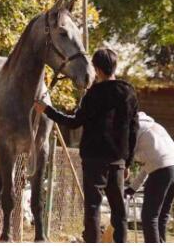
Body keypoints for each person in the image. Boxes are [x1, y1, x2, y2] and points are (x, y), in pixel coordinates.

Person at [34, 48, 139, 243]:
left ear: (97, 69)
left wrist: (47, 110)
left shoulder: (92, 95)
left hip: (93, 158)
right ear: (115, 66)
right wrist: (128, 162)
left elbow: (74, 122)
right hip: (117, 159)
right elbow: (134, 130)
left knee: (93, 208)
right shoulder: (129, 93)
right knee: (119, 210)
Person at [125, 112, 174, 243]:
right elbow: (150, 163)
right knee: (162, 214)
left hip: (163, 169)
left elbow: (128, 154)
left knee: (149, 216)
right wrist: (133, 188)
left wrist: (125, 166)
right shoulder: (155, 126)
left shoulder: (135, 127)